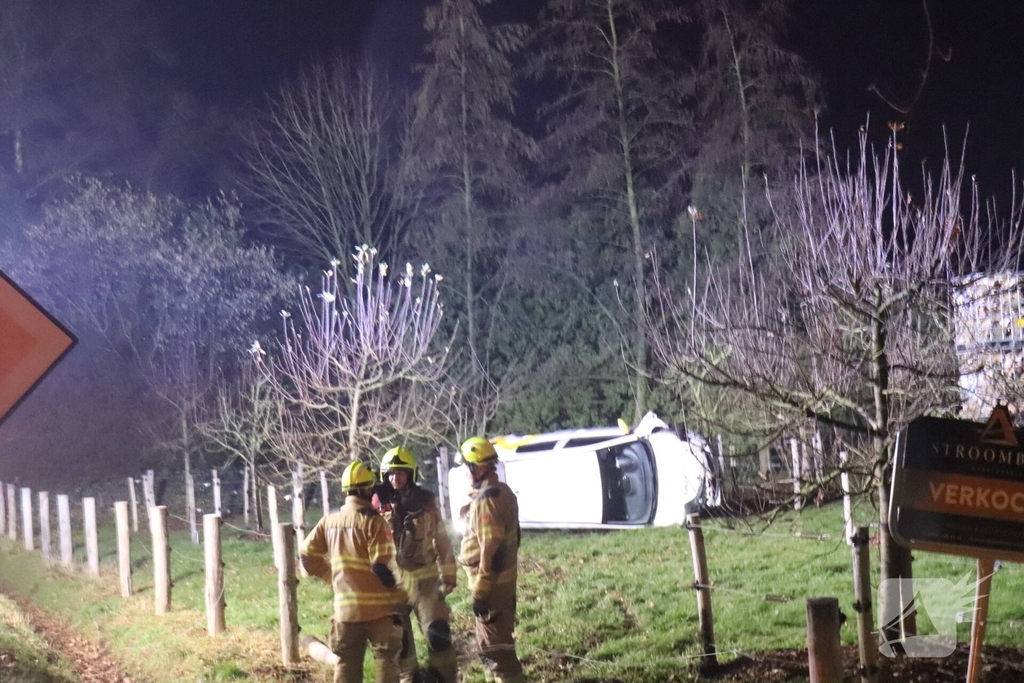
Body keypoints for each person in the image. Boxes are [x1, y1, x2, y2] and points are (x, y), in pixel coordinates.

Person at [300, 460, 407, 683]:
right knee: (387, 665)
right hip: (380, 613)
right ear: (368, 490)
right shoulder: (375, 523)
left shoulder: (328, 522)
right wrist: (402, 594)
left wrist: (331, 576)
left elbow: (306, 555)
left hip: (346, 613)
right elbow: (382, 567)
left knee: (346, 668)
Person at [373, 447, 458, 683]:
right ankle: (410, 679)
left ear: (411, 474)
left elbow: (442, 539)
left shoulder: (426, 501)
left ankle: (444, 678)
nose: (394, 478)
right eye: (390, 473)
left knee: (438, 635)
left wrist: (449, 574)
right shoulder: (376, 504)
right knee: (402, 644)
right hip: (393, 586)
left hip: (426, 582)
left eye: (400, 473)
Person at [457, 437, 524, 683]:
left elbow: (491, 552)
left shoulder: (487, 501)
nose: (465, 473)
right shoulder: (502, 491)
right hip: (501, 587)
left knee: (498, 654)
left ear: (478, 468)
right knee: (491, 649)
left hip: (492, 590)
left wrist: (480, 593)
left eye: (467, 467)